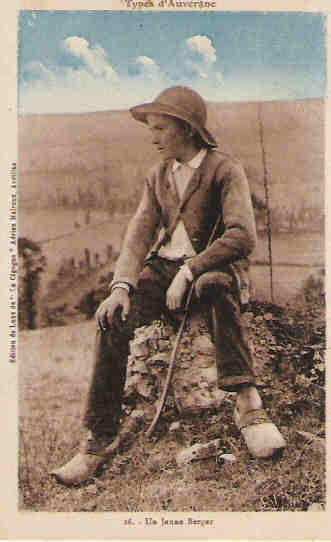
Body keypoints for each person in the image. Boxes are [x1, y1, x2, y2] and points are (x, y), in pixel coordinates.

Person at [51, 86, 285, 485]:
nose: (153, 136)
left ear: (187, 129)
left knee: (213, 286)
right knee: (113, 319)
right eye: (152, 129)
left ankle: (249, 406)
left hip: (214, 270)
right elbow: (138, 235)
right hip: (163, 272)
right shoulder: (157, 174)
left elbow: (242, 236)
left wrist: (191, 269)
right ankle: (98, 438)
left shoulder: (225, 170)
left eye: (161, 128)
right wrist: (121, 286)